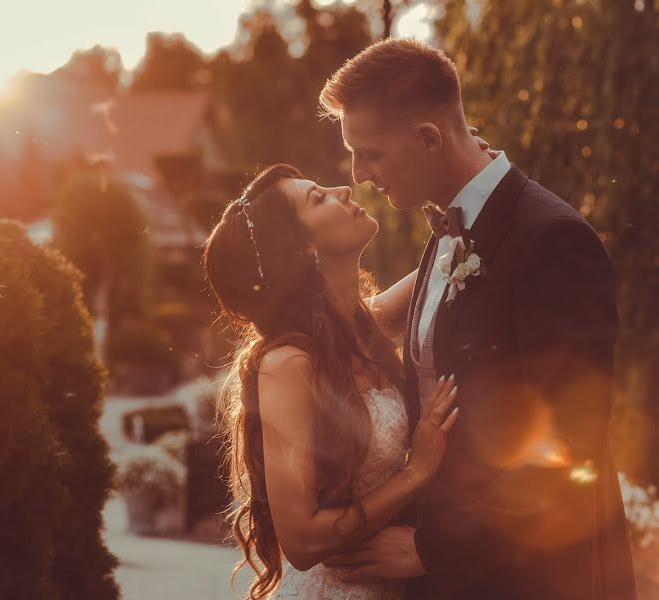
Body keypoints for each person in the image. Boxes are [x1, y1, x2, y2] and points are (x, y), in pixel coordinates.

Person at [316, 37, 636, 600]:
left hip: (523, 578)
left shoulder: (553, 241)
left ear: (428, 138)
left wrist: (429, 549)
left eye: (369, 153)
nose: (358, 174)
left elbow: (570, 445)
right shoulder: (452, 229)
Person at [202, 162, 462, 600]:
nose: (344, 189)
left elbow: (455, 259)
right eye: (318, 198)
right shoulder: (287, 364)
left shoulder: (365, 328)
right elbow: (301, 542)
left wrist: (460, 166)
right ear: (301, 250)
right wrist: (416, 472)